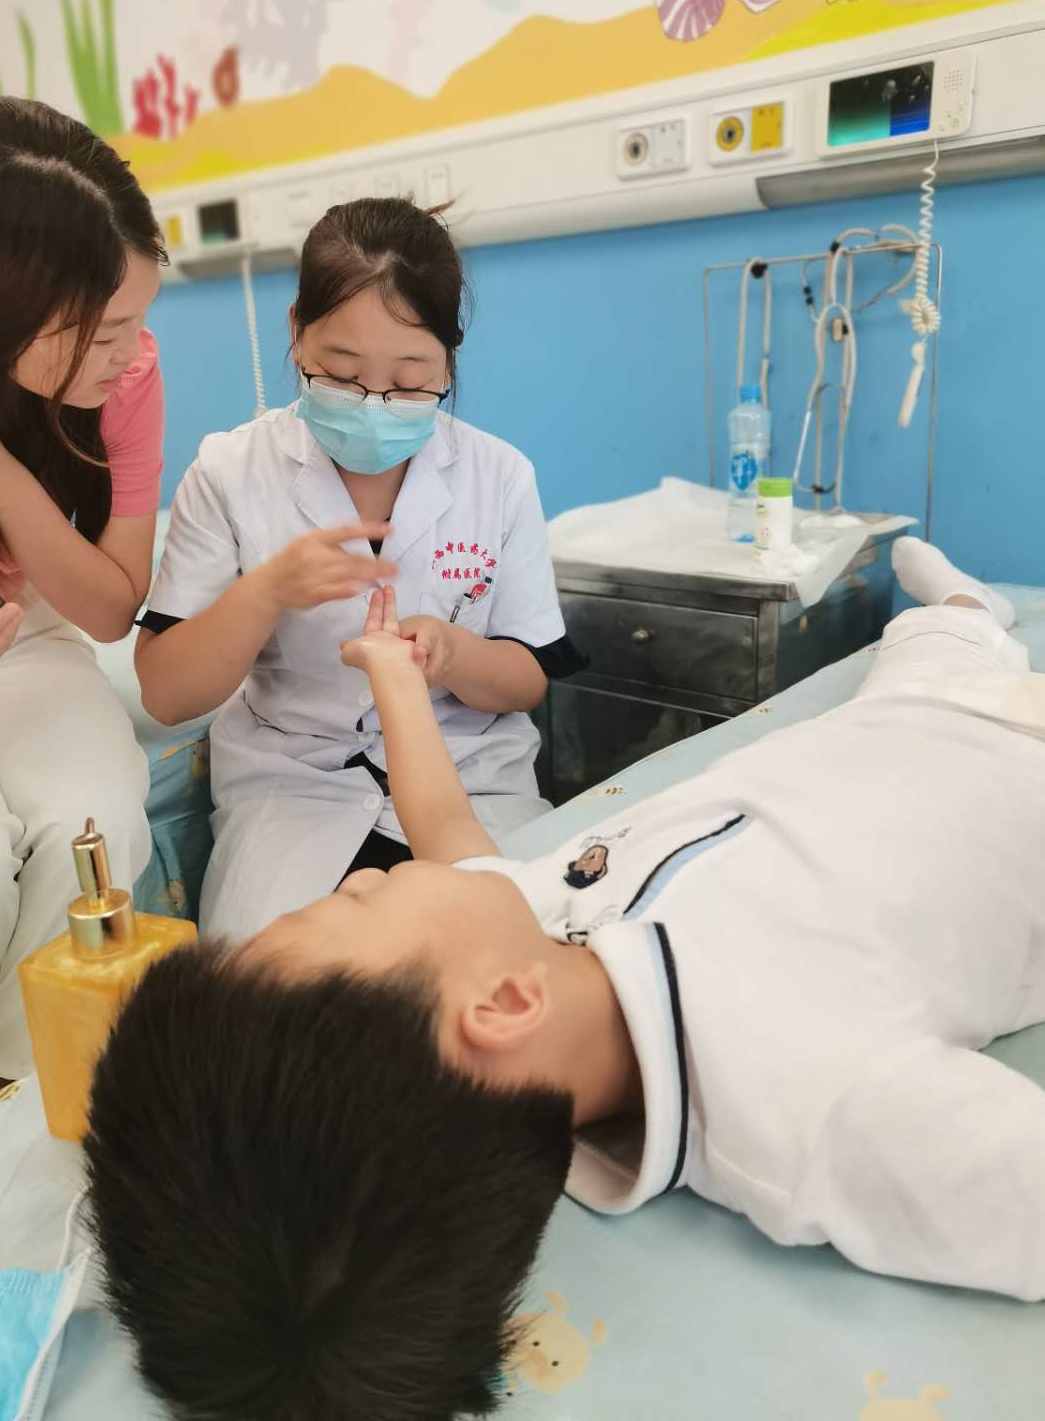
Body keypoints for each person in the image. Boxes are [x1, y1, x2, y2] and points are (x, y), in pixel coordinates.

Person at [86, 538, 1045, 1421]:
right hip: (1016, 779)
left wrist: (395, 680)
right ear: (501, 1008)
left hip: (890, 723)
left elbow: (445, 832)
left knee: (932, 644)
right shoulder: (808, 1100)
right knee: (943, 658)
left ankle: (961, 613)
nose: (362, 879)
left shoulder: (529, 952)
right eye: (345, 910)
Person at [135, 196, 582, 943]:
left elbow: (528, 679)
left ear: (450, 360)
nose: (375, 405)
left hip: (469, 777)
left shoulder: (499, 476)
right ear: (296, 333)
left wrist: (453, 654)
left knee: (503, 951)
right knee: (271, 980)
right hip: (294, 789)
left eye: (409, 382)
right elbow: (167, 694)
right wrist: (265, 593)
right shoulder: (229, 471)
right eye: (342, 376)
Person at [0, 98, 167, 1101]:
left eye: (137, 320)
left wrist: (2, 480)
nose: (129, 353)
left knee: (96, 826)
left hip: (24, 633)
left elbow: (110, 608)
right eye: (102, 331)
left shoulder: (125, 379)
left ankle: (33, 1093)